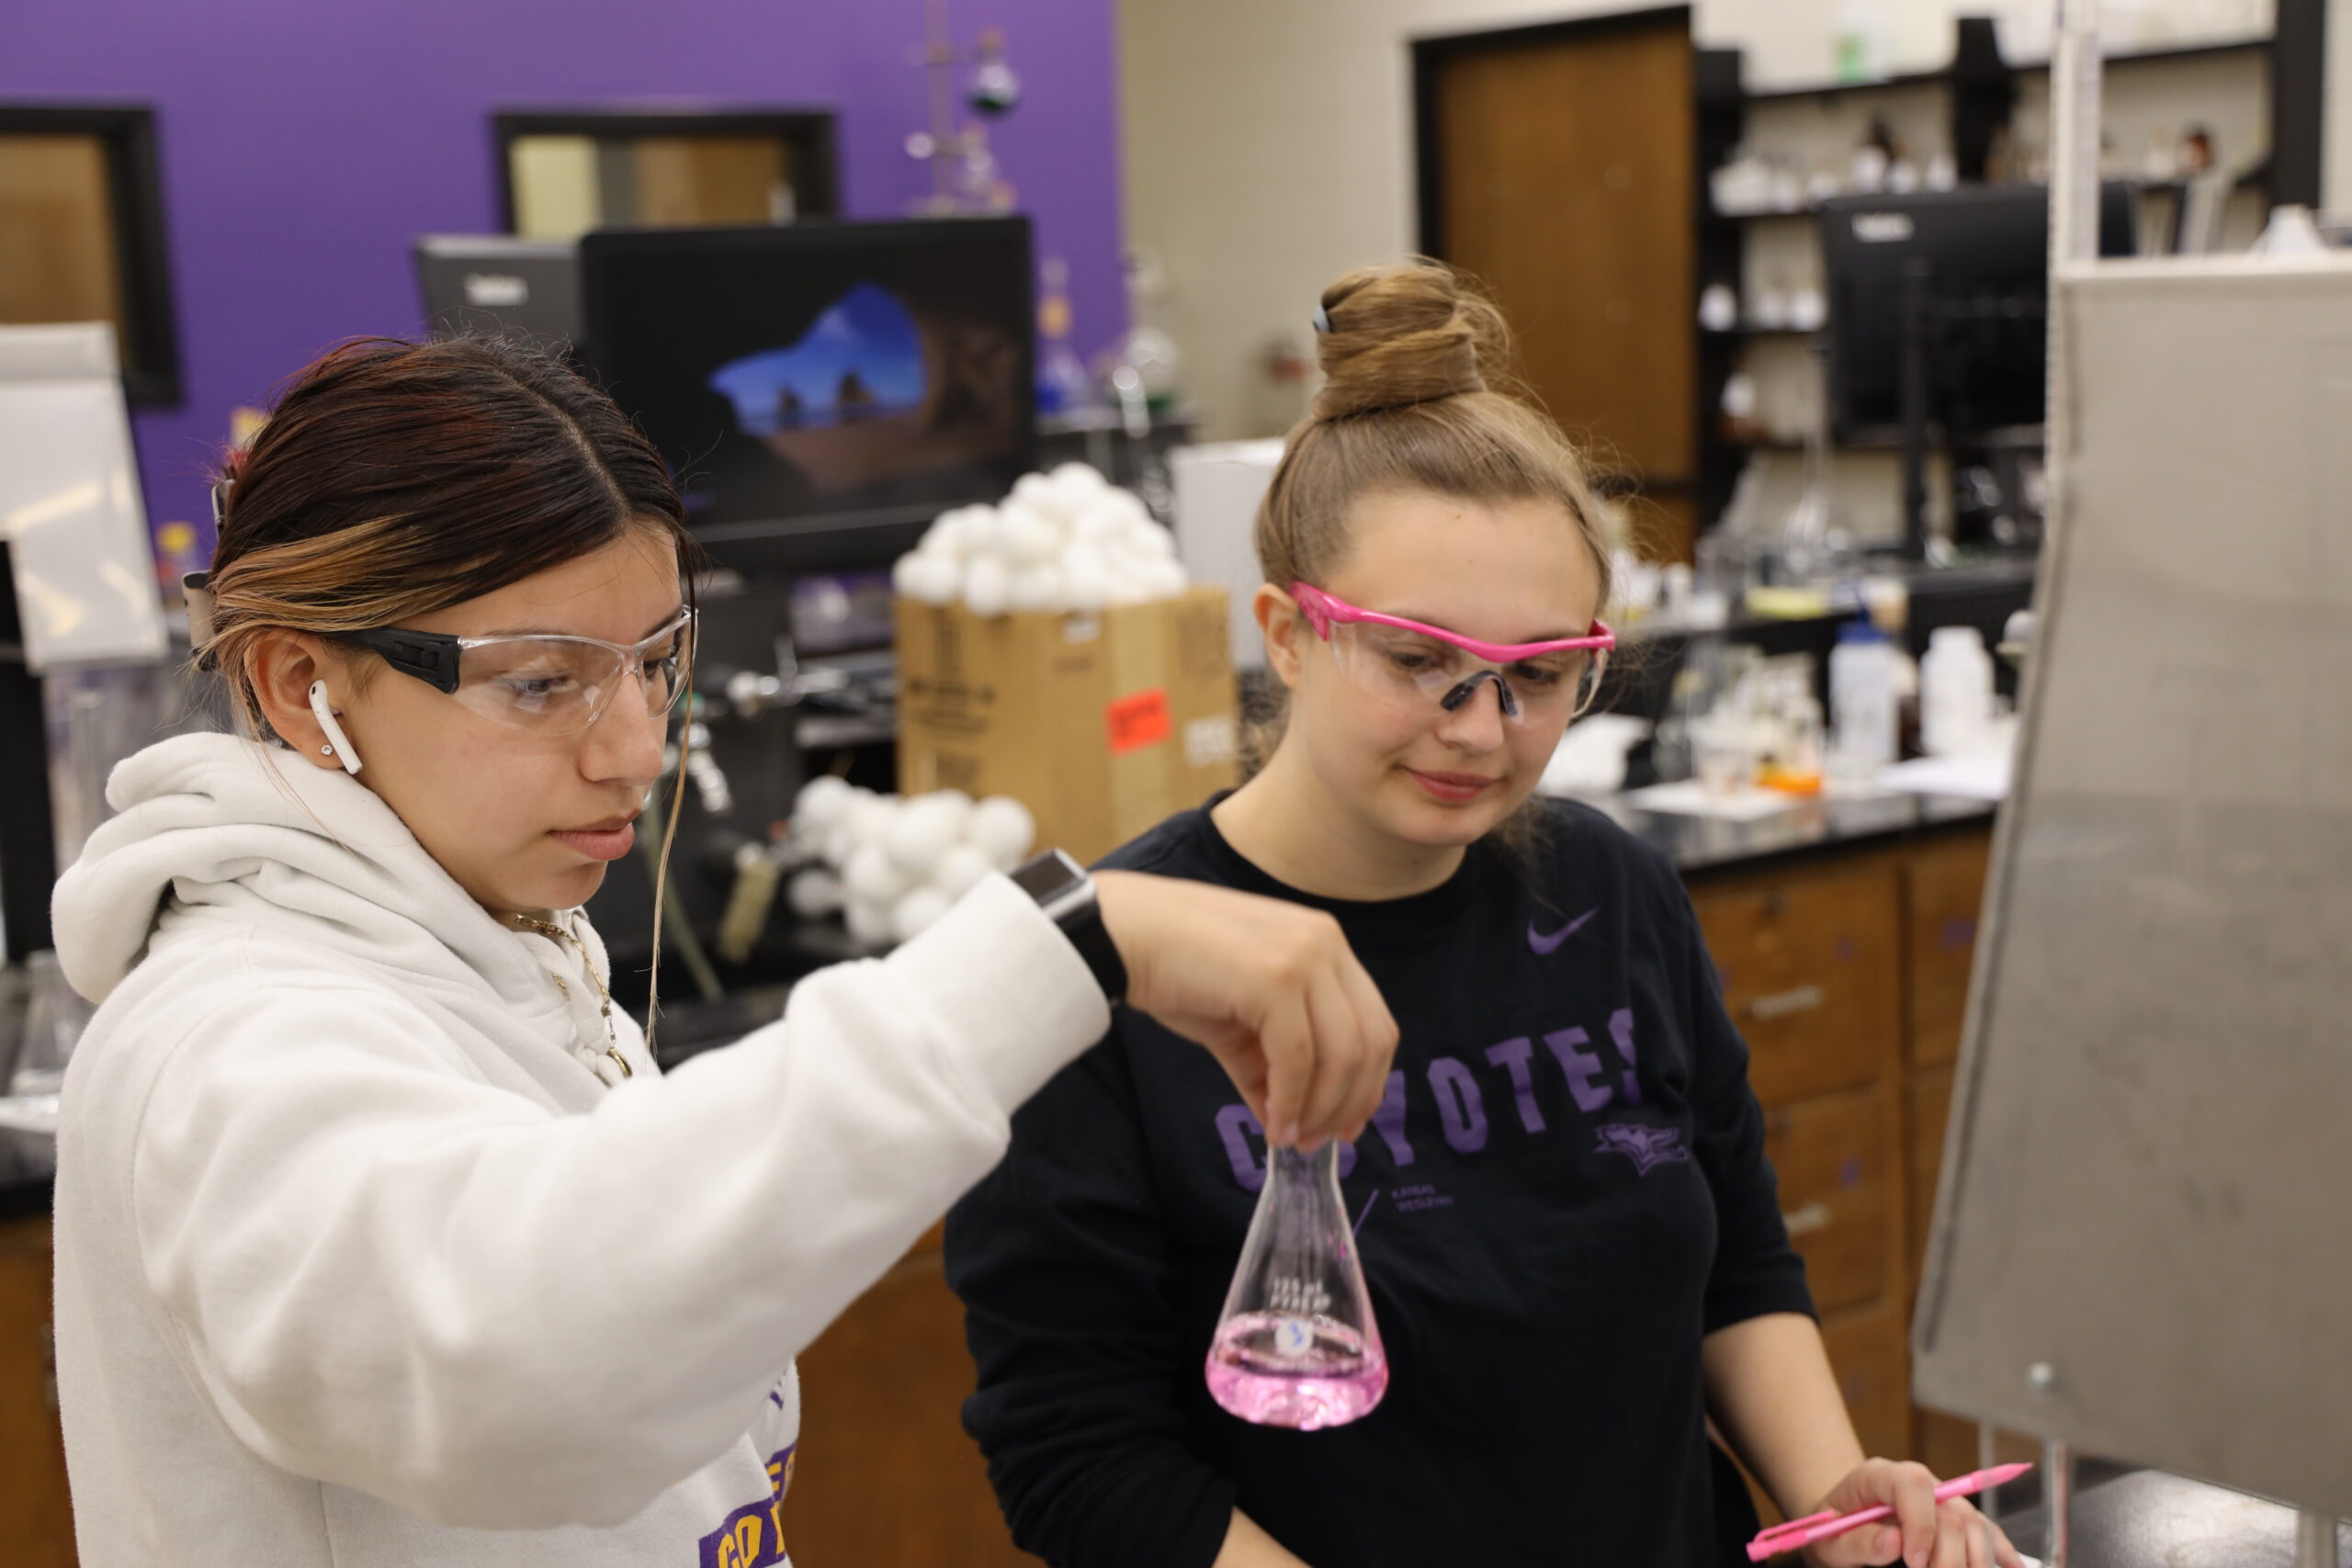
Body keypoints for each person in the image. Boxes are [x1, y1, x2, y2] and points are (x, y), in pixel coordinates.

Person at [46, 335, 1397, 1568]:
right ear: (302, 684)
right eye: (542, 681)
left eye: (652, 663)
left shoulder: (506, 940)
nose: (636, 750)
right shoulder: (227, 1040)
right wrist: (1062, 949)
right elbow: (516, 1369)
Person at [944, 264, 2025, 1568]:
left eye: (1541, 675)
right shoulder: (1110, 981)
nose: (1484, 729)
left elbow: (1736, 1263)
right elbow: (1078, 1460)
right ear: (1288, 634)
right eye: (1420, 663)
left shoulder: (1611, 894)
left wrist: (1832, 1496)